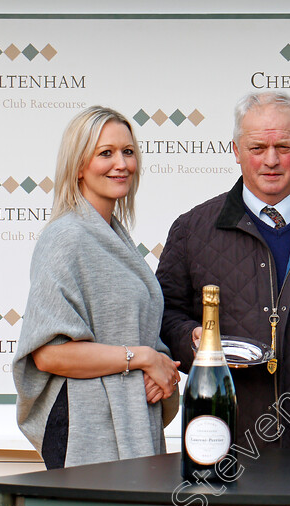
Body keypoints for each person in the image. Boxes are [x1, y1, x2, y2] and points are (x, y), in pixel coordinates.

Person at [156, 91, 290, 449]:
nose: (271, 160)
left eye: (284, 147)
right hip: (225, 439)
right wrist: (191, 338)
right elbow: (164, 312)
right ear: (236, 150)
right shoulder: (192, 229)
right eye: (257, 148)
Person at [13, 106, 181, 469]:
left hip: (130, 416)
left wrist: (159, 372)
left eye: (128, 151)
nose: (121, 163)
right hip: (85, 426)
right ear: (78, 166)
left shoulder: (114, 236)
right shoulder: (65, 237)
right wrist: (143, 359)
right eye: (105, 153)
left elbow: (139, 333)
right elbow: (49, 354)